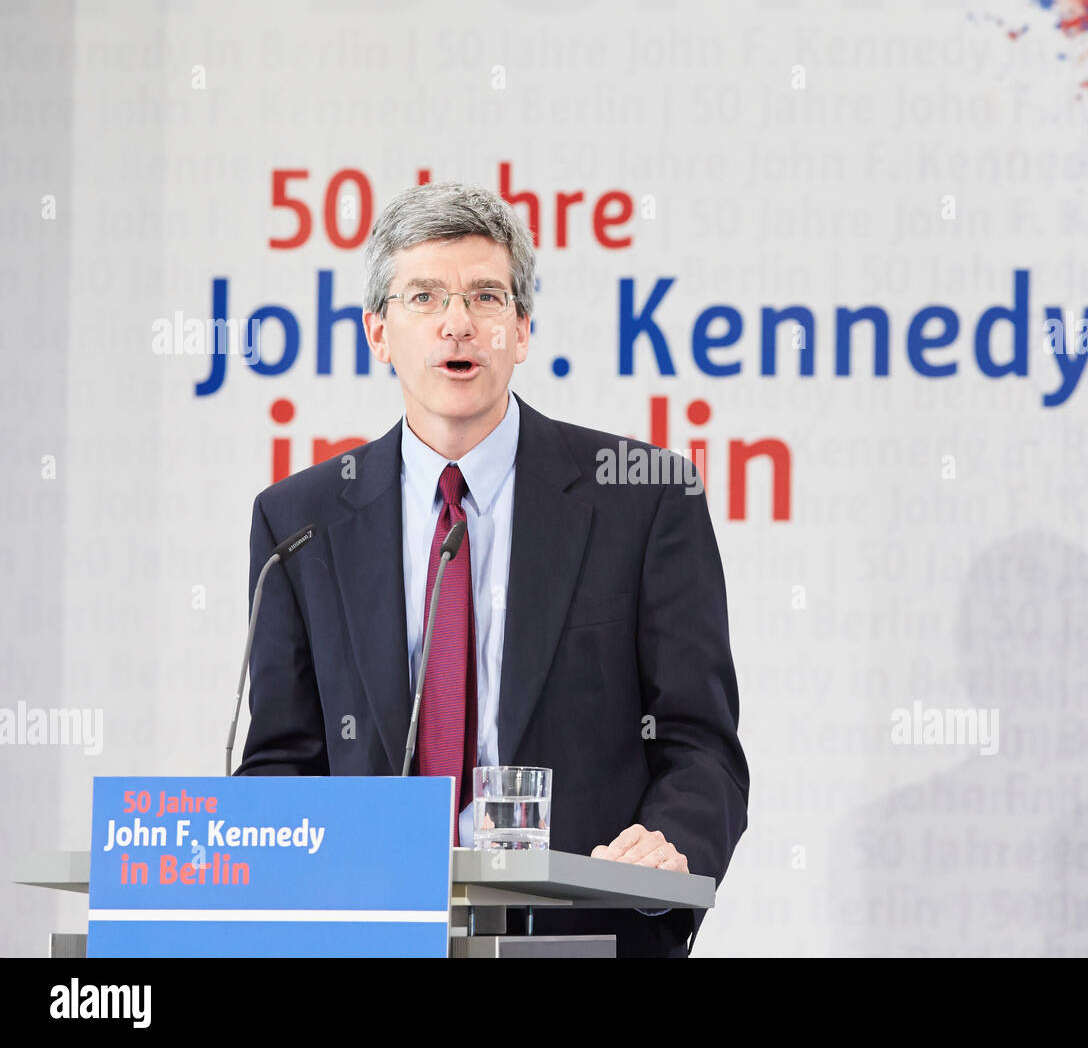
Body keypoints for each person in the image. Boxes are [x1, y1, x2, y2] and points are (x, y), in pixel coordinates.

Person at [235, 181, 749, 957]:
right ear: (377, 332)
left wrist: (666, 843)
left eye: (486, 295)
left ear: (523, 329)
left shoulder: (642, 499)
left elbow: (700, 744)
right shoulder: (300, 524)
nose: (458, 322)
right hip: (373, 935)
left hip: (580, 935)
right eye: (424, 296)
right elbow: (282, 760)